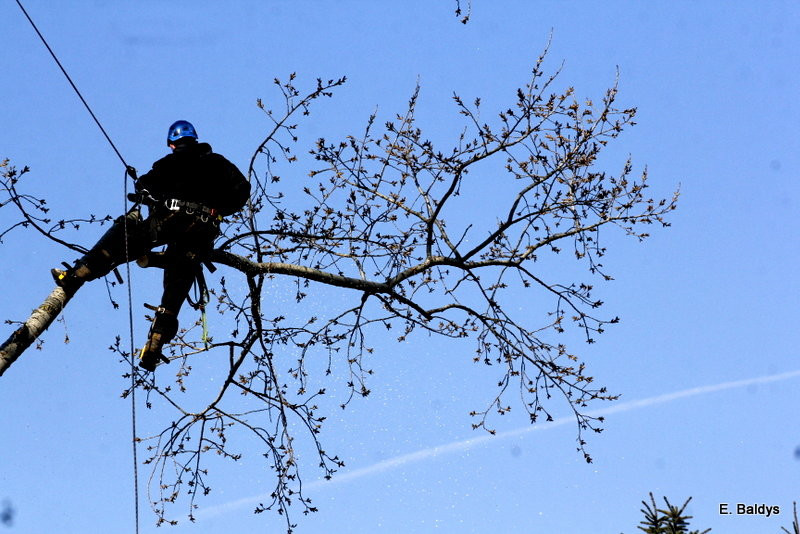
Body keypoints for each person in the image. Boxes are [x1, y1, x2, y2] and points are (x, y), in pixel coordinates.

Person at [52, 120, 250, 371]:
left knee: (125, 240)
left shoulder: (168, 163)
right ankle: (157, 340)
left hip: (171, 218)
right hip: (203, 228)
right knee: (178, 281)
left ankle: (79, 272)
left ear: (171, 144)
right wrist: (218, 209)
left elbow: (145, 185)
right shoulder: (219, 163)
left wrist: (145, 189)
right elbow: (242, 191)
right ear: (196, 140)